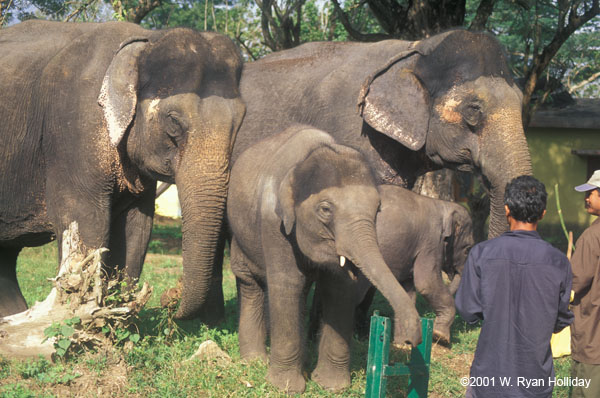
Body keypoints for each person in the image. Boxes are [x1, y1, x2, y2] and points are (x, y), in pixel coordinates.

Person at [456, 175, 573, 398]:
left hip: (488, 378)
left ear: (507, 209)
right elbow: (560, 319)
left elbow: (468, 309)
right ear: (543, 214)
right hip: (535, 381)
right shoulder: (559, 262)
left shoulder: (482, 253)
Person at [570, 170, 600, 397]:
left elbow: (576, 281)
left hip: (593, 340)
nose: (586, 198)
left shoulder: (592, 237)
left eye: (591, 193)